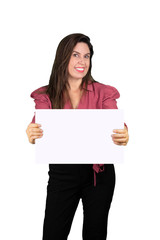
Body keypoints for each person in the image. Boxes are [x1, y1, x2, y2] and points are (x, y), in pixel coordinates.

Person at [26, 33, 129, 240]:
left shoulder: (104, 92)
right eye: (75, 55)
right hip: (62, 173)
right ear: (63, 57)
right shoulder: (46, 95)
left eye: (87, 56)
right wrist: (32, 132)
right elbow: (38, 126)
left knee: (95, 235)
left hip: (98, 173)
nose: (82, 61)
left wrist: (123, 134)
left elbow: (116, 123)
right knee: (53, 234)